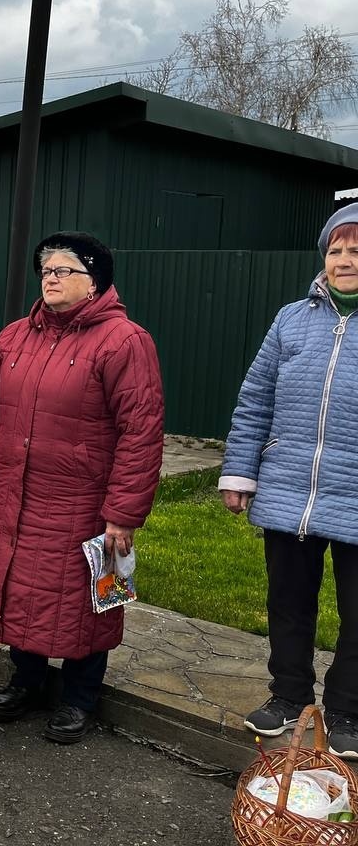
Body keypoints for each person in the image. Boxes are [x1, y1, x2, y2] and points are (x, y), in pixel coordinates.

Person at [0, 231, 163, 745]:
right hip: (17, 493)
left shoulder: (125, 342)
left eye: (63, 270)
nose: (49, 278)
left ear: (94, 281)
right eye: (45, 271)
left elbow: (140, 432)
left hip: (85, 504)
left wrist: (123, 512)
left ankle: (79, 698)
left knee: (88, 601)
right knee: (21, 591)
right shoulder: (13, 337)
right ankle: (26, 682)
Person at [220, 204, 358, 760]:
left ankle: (348, 709)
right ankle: (289, 697)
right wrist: (240, 471)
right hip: (290, 491)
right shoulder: (291, 319)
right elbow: (255, 402)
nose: (345, 259)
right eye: (336, 249)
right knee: (290, 603)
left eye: (357, 249)